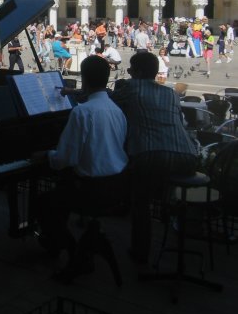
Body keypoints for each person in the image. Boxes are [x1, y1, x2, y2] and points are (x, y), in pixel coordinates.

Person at [33, 55, 128, 278]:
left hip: (89, 191)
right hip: (116, 186)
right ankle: (66, 245)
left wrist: (45, 155)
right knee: (59, 195)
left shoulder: (82, 112)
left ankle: (68, 246)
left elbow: (66, 158)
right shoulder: (117, 111)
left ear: (84, 79)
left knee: (44, 203)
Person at [111, 52, 198, 264]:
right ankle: (172, 212)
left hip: (152, 154)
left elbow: (106, 101)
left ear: (138, 72)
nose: (129, 73)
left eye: (131, 69)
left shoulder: (131, 88)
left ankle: (140, 252)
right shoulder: (171, 94)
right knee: (163, 181)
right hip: (187, 155)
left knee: (141, 203)